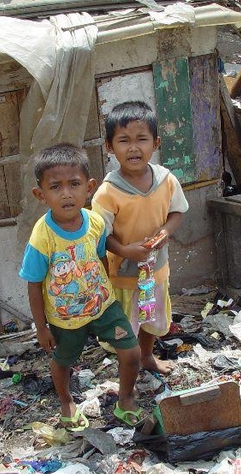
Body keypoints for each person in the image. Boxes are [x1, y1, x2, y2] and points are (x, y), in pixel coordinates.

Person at [19, 143, 146, 429]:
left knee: (132, 353)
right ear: (41, 195)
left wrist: (109, 293)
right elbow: (33, 284)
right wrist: (41, 328)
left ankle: (125, 399)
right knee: (63, 361)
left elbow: (100, 257)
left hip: (103, 306)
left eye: (74, 184)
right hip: (65, 317)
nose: (66, 194)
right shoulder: (42, 237)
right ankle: (66, 401)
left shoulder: (96, 223)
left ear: (88, 188)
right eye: (56, 187)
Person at [91, 101, 189, 376]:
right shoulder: (107, 193)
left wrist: (165, 232)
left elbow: (177, 212)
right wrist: (124, 249)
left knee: (152, 318)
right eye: (124, 141)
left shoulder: (167, 180)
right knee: (126, 325)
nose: (133, 148)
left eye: (141, 139)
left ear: (155, 143)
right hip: (123, 274)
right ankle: (129, 368)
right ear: (110, 147)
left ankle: (147, 356)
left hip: (156, 270)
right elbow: (101, 237)